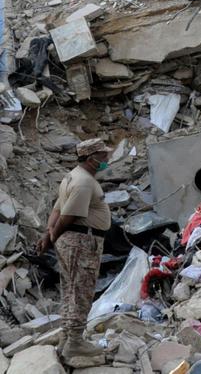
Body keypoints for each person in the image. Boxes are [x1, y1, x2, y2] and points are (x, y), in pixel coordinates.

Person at [36, 138, 111, 361]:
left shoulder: (72, 176)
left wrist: (48, 234)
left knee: (70, 290)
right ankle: (75, 343)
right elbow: (69, 216)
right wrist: (52, 236)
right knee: (81, 292)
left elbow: (56, 209)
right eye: (104, 156)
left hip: (73, 241)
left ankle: (67, 337)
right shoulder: (84, 183)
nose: (107, 159)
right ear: (91, 159)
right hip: (81, 242)